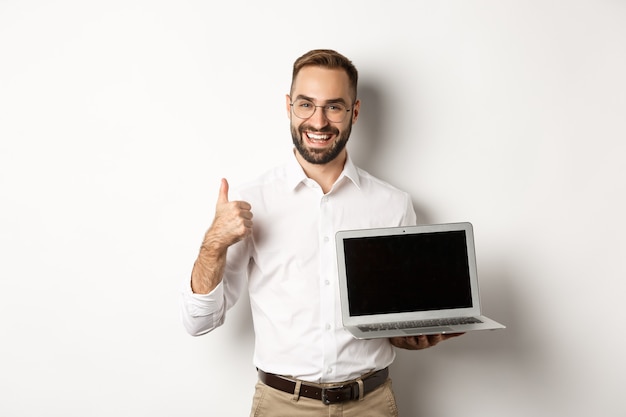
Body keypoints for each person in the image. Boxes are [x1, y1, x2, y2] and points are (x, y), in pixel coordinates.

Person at [180, 49, 462, 417]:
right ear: (288, 106)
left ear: (354, 113)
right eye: (306, 104)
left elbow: (392, 319)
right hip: (282, 406)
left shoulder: (392, 204)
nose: (318, 120)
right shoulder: (252, 201)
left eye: (334, 107)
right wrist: (213, 243)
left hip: (371, 404)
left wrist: (412, 336)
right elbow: (198, 322)